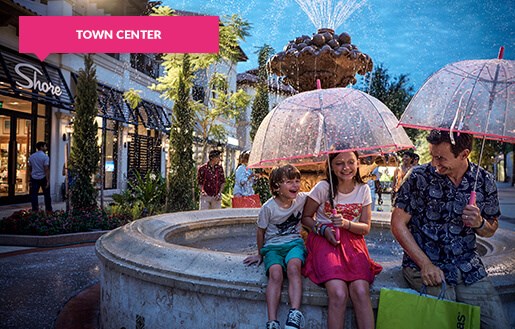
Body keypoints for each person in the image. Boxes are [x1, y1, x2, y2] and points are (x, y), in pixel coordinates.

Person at [391, 130, 509, 329]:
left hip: (467, 267)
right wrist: (425, 264)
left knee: (498, 325)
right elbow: (397, 224)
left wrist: (480, 223)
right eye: (433, 156)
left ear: (464, 154)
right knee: (447, 322)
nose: (435, 163)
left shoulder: (484, 181)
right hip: (425, 266)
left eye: (441, 158)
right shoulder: (418, 177)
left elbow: (491, 229)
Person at [302, 151, 382, 329]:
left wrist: (346, 224)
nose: (346, 168)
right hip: (325, 240)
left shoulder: (364, 189)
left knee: (361, 291)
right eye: (339, 163)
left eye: (350, 162)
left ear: (358, 163)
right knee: (338, 293)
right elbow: (306, 218)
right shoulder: (323, 188)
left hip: (353, 241)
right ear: (330, 166)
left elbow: (365, 227)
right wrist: (322, 229)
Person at [243, 164, 307, 329]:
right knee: (275, 274)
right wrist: (259, 254)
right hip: (272, 247)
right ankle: (272, 321)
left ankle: (294, 313)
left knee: (294, 267)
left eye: (297, 181)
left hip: (294, 244)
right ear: (277, 186)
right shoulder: (268, 208)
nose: (295, 185)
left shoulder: (301, 199)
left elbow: (319, 195)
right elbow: (260, 232)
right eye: (289, 182)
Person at [28, 141, 52, 212]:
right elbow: (46, 169)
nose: (46, 147)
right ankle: (48, 210)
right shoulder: (45, 157)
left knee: (34, 195)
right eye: (45, 146)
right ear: (41, 147)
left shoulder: (32, 156)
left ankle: (35, 209)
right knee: (47, 195)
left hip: (34, 177)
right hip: (43, 177)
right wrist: (48, 180)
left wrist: (29, 178)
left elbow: (30, 168)